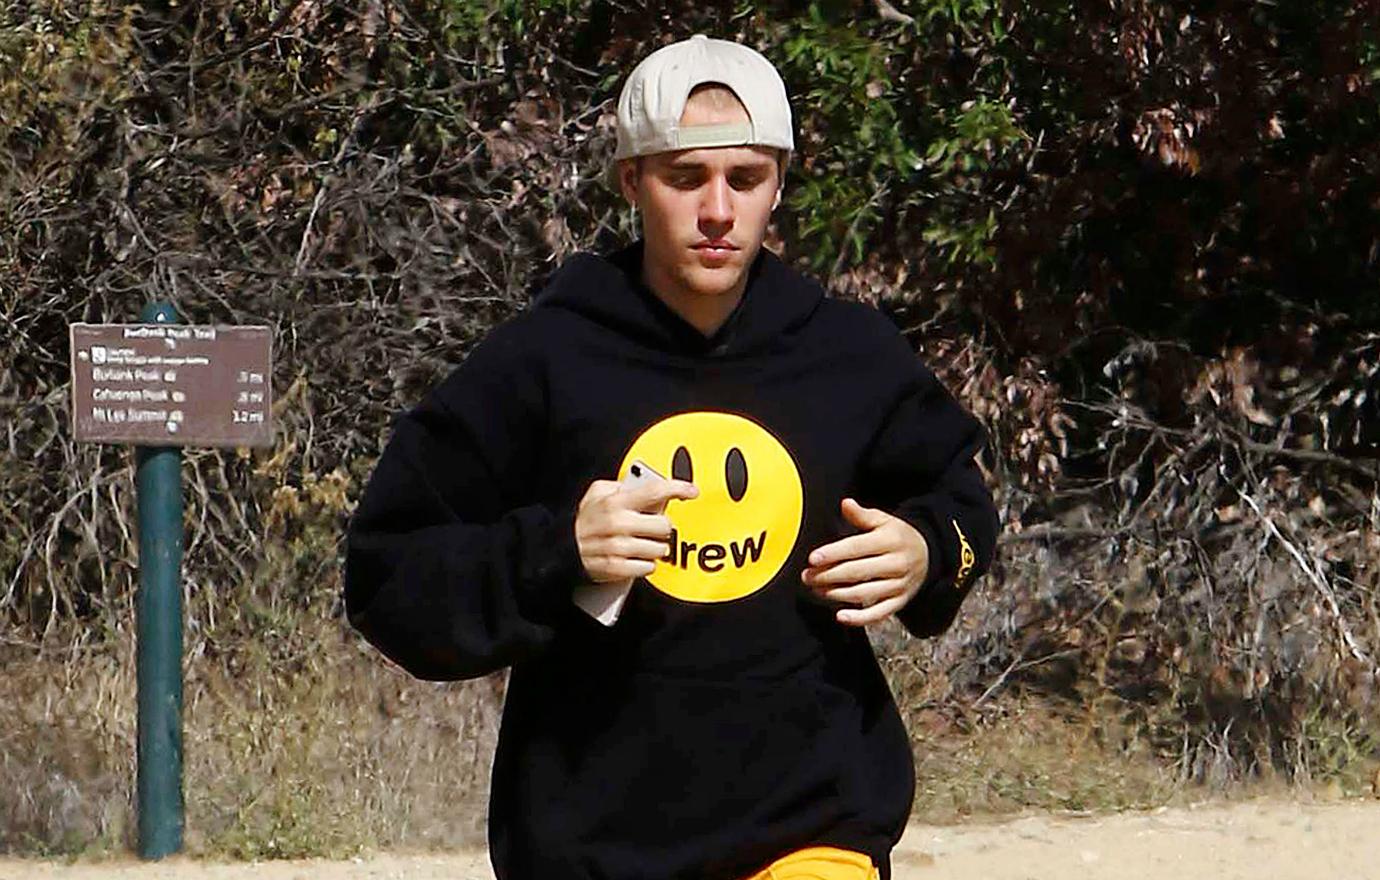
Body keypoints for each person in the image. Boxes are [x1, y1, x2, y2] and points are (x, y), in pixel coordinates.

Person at [343, 33, 999, 880]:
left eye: (746, 178)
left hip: (812, 827)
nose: (718, 211)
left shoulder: (847, 353)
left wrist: (929, 553)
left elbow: (961, 498)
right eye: (686, 179)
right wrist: (557, 553)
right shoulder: (542, 360)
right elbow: (387, 572)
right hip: (591, 844)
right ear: (631, 183)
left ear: (779, 184)